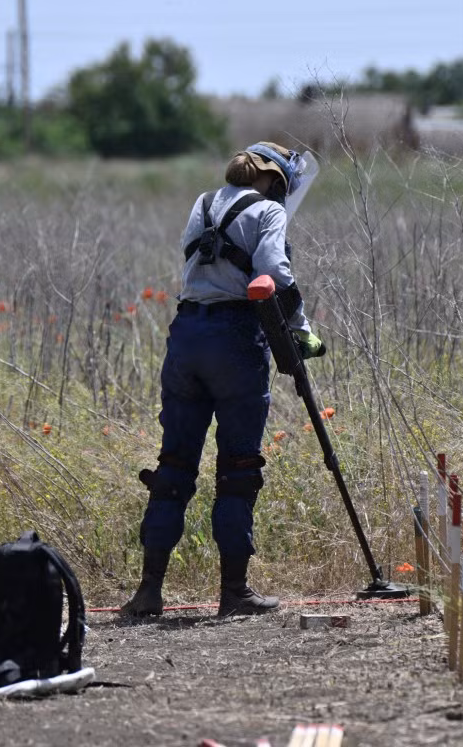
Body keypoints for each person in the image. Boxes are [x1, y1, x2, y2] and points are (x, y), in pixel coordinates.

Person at [122, 142, 325, 618]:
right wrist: (303, 331)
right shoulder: (270, 212)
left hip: (186, 336)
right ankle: (234, 593)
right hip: (234, 340)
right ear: (277, 181)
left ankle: (149, 591)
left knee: (173, 466)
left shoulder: (203, 202)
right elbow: (273, 273)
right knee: (238, 468)